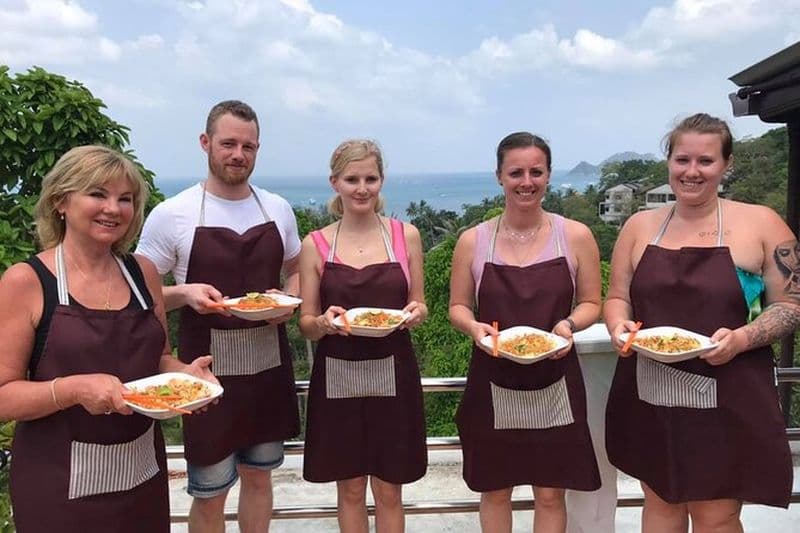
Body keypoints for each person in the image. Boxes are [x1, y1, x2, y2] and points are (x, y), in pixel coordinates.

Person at [0, 145, 215, 532]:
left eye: (126, 199)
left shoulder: (143, 272)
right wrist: (74, 390)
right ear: (61, 201)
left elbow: (158, 356)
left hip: (142, 473)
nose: (113, 208)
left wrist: (186, 376)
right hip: (58, 484)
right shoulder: (26, 281)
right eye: (98, 194)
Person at [604, 113, 799, 532]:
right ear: (669, 162)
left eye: (706, 162)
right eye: (682, 160)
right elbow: (617, 297)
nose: (692, 172)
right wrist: (619, 327)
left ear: (726, 165)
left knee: (716, 514)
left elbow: (791, 304)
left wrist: (743, 338)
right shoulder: (639, 227)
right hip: (650, 391)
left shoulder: (761, 222)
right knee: (660, 502)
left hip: (731, 390)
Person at [135, 100, 301, 533]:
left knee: (261, 479)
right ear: (206, 143)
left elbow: (299, 270)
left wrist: (287, 300)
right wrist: (184, 292)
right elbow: (138, 292)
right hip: (205, 376)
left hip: (268, 366)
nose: (238, 154)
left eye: (248, 146)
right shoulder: (173, 213)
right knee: (209, 492)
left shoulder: (277, 209)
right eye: (228, 143)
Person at [449, 132, 602, 532]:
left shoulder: (575, 236)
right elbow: (458, 307)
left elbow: (591, 303)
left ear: (549, 176)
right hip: (492, 377)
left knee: (551, 492)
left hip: (556, 378)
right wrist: (473, 327)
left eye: (536, 171)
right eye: (516, 172)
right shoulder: (473, 240)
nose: (526, 181)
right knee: (495, 488)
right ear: (499, 176)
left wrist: (568, 325)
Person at [298, 139, 428, 532]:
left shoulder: (406, 236)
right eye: (352, 179)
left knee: (390, 490)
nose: (362, 188)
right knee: (350, 489)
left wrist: (416, 313)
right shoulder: (315, 244)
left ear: (381, 181)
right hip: (337, 375)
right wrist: (323, 322)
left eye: (370, 178)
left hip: (395, 372)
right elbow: (305, 321)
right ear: (334, 182)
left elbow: (419, 303)